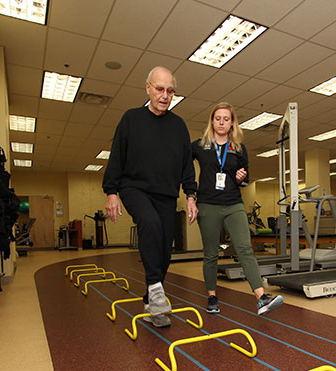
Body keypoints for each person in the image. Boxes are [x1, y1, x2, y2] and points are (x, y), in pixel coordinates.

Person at [102, 66, 198, 328]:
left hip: (166, 194)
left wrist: (190, 195)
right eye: (159, 89)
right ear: (148, 88)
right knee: (150, 223)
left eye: (170, 91)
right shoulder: (131, 119)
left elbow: (186, 166)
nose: (165, 95)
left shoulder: (178, 126)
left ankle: (151, 299)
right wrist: (112, 192)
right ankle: (156, 289)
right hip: (135, 189)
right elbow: (116, 157)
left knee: (165, 249)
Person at [191, 102, 283, 315]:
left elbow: (245, 178)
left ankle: (261, 297)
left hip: (233, 203)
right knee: (211, 254)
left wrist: (241, 179)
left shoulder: (239, 149)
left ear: (232, 123)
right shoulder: (198, 145)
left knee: (245, 249)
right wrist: (190, 195)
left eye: (226, 119)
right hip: (208, 204)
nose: (221, 122)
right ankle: (212, 297)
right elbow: (184, 166)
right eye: (218, 118)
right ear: (212, 121)